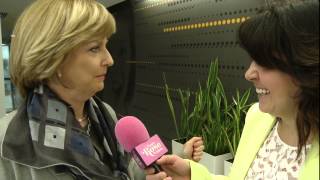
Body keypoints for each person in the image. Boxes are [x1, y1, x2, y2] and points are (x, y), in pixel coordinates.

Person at [0, 0, 204, 179]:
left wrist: (178, 160)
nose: (110, 60)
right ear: (54, 59)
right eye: (94, 48)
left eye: (106, 46)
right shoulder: (8, 142)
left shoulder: (107, 115)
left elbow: (133, 172)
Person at [145, 1, 319, 180]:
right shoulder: (257, 118)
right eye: (253, 60)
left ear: (307, 66)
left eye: (264, 62)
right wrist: (192, 176)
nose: (249, 74)